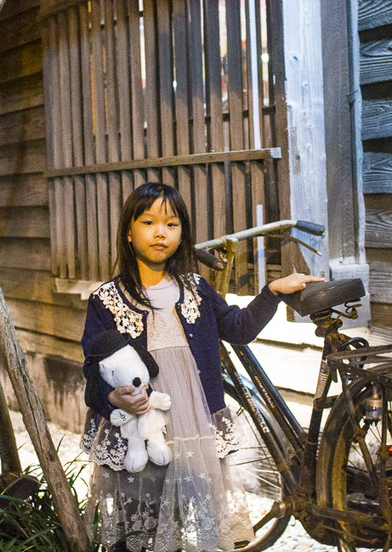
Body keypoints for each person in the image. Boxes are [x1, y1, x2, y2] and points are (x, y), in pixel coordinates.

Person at [80, 182, 322, 552]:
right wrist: (114, 399)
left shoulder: (196, 289)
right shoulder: (106, 300)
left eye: (172, 224)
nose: (160, 232)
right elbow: (92, 369)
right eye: (148, 222)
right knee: (138, 522)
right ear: (128, 232)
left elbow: (238, 329)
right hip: (140, 431)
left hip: (195, 425)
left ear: (182, 234)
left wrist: (272, 292)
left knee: (189, 522)